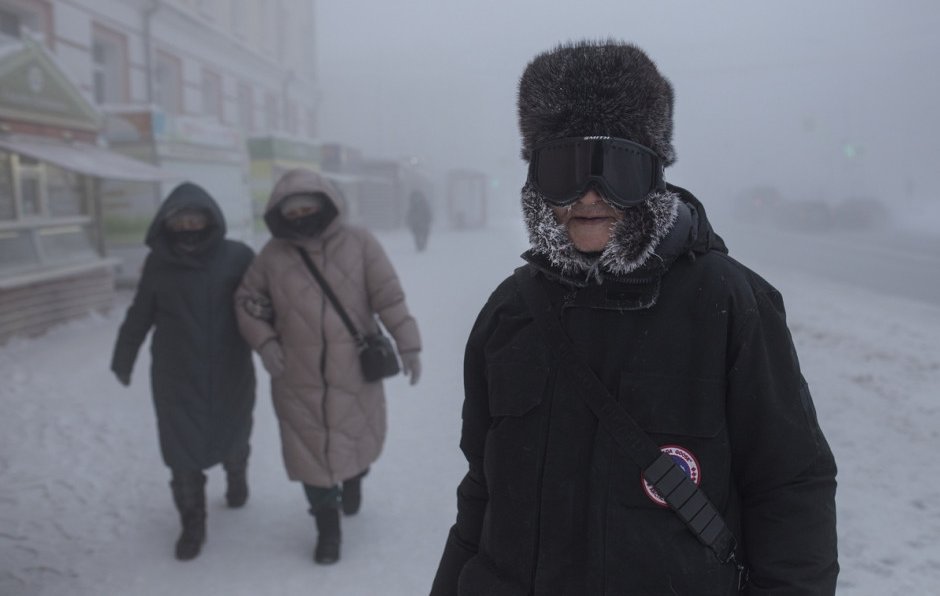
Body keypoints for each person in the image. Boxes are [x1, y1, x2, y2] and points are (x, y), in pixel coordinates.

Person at [430, 40, 838, 595]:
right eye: (563, 170)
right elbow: (482, 487)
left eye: (617, 170)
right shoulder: (511, 313)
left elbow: (791, 486)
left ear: (653, 177)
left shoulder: (728, 303)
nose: (588, 197)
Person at [235, 168, 422, 565]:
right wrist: (265, 341)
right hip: (295, 376)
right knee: (309, 454)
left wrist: (409, 344)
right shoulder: (272, 255)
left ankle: (354, 478)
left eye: (308, 206)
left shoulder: (360, 242)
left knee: (354, 439)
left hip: (353, 371)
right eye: (293, 209)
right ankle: (327, 527)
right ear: (279, 214)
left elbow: (388, 297)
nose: (301, 214)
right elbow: (247, 302)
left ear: (325, 204)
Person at [110, 182, 256, 561]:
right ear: (167, 224)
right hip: (176, 376)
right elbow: (140, 314)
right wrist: (123, 359)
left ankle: (236, 474)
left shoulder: (238, 257)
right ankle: (193, 523)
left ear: (211, 219)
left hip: (230, 368)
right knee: (181, 452)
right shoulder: (159, 265)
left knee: (235, 431)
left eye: (196, 218)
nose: (189, 225)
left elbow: (262, 306)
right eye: (181, 220)